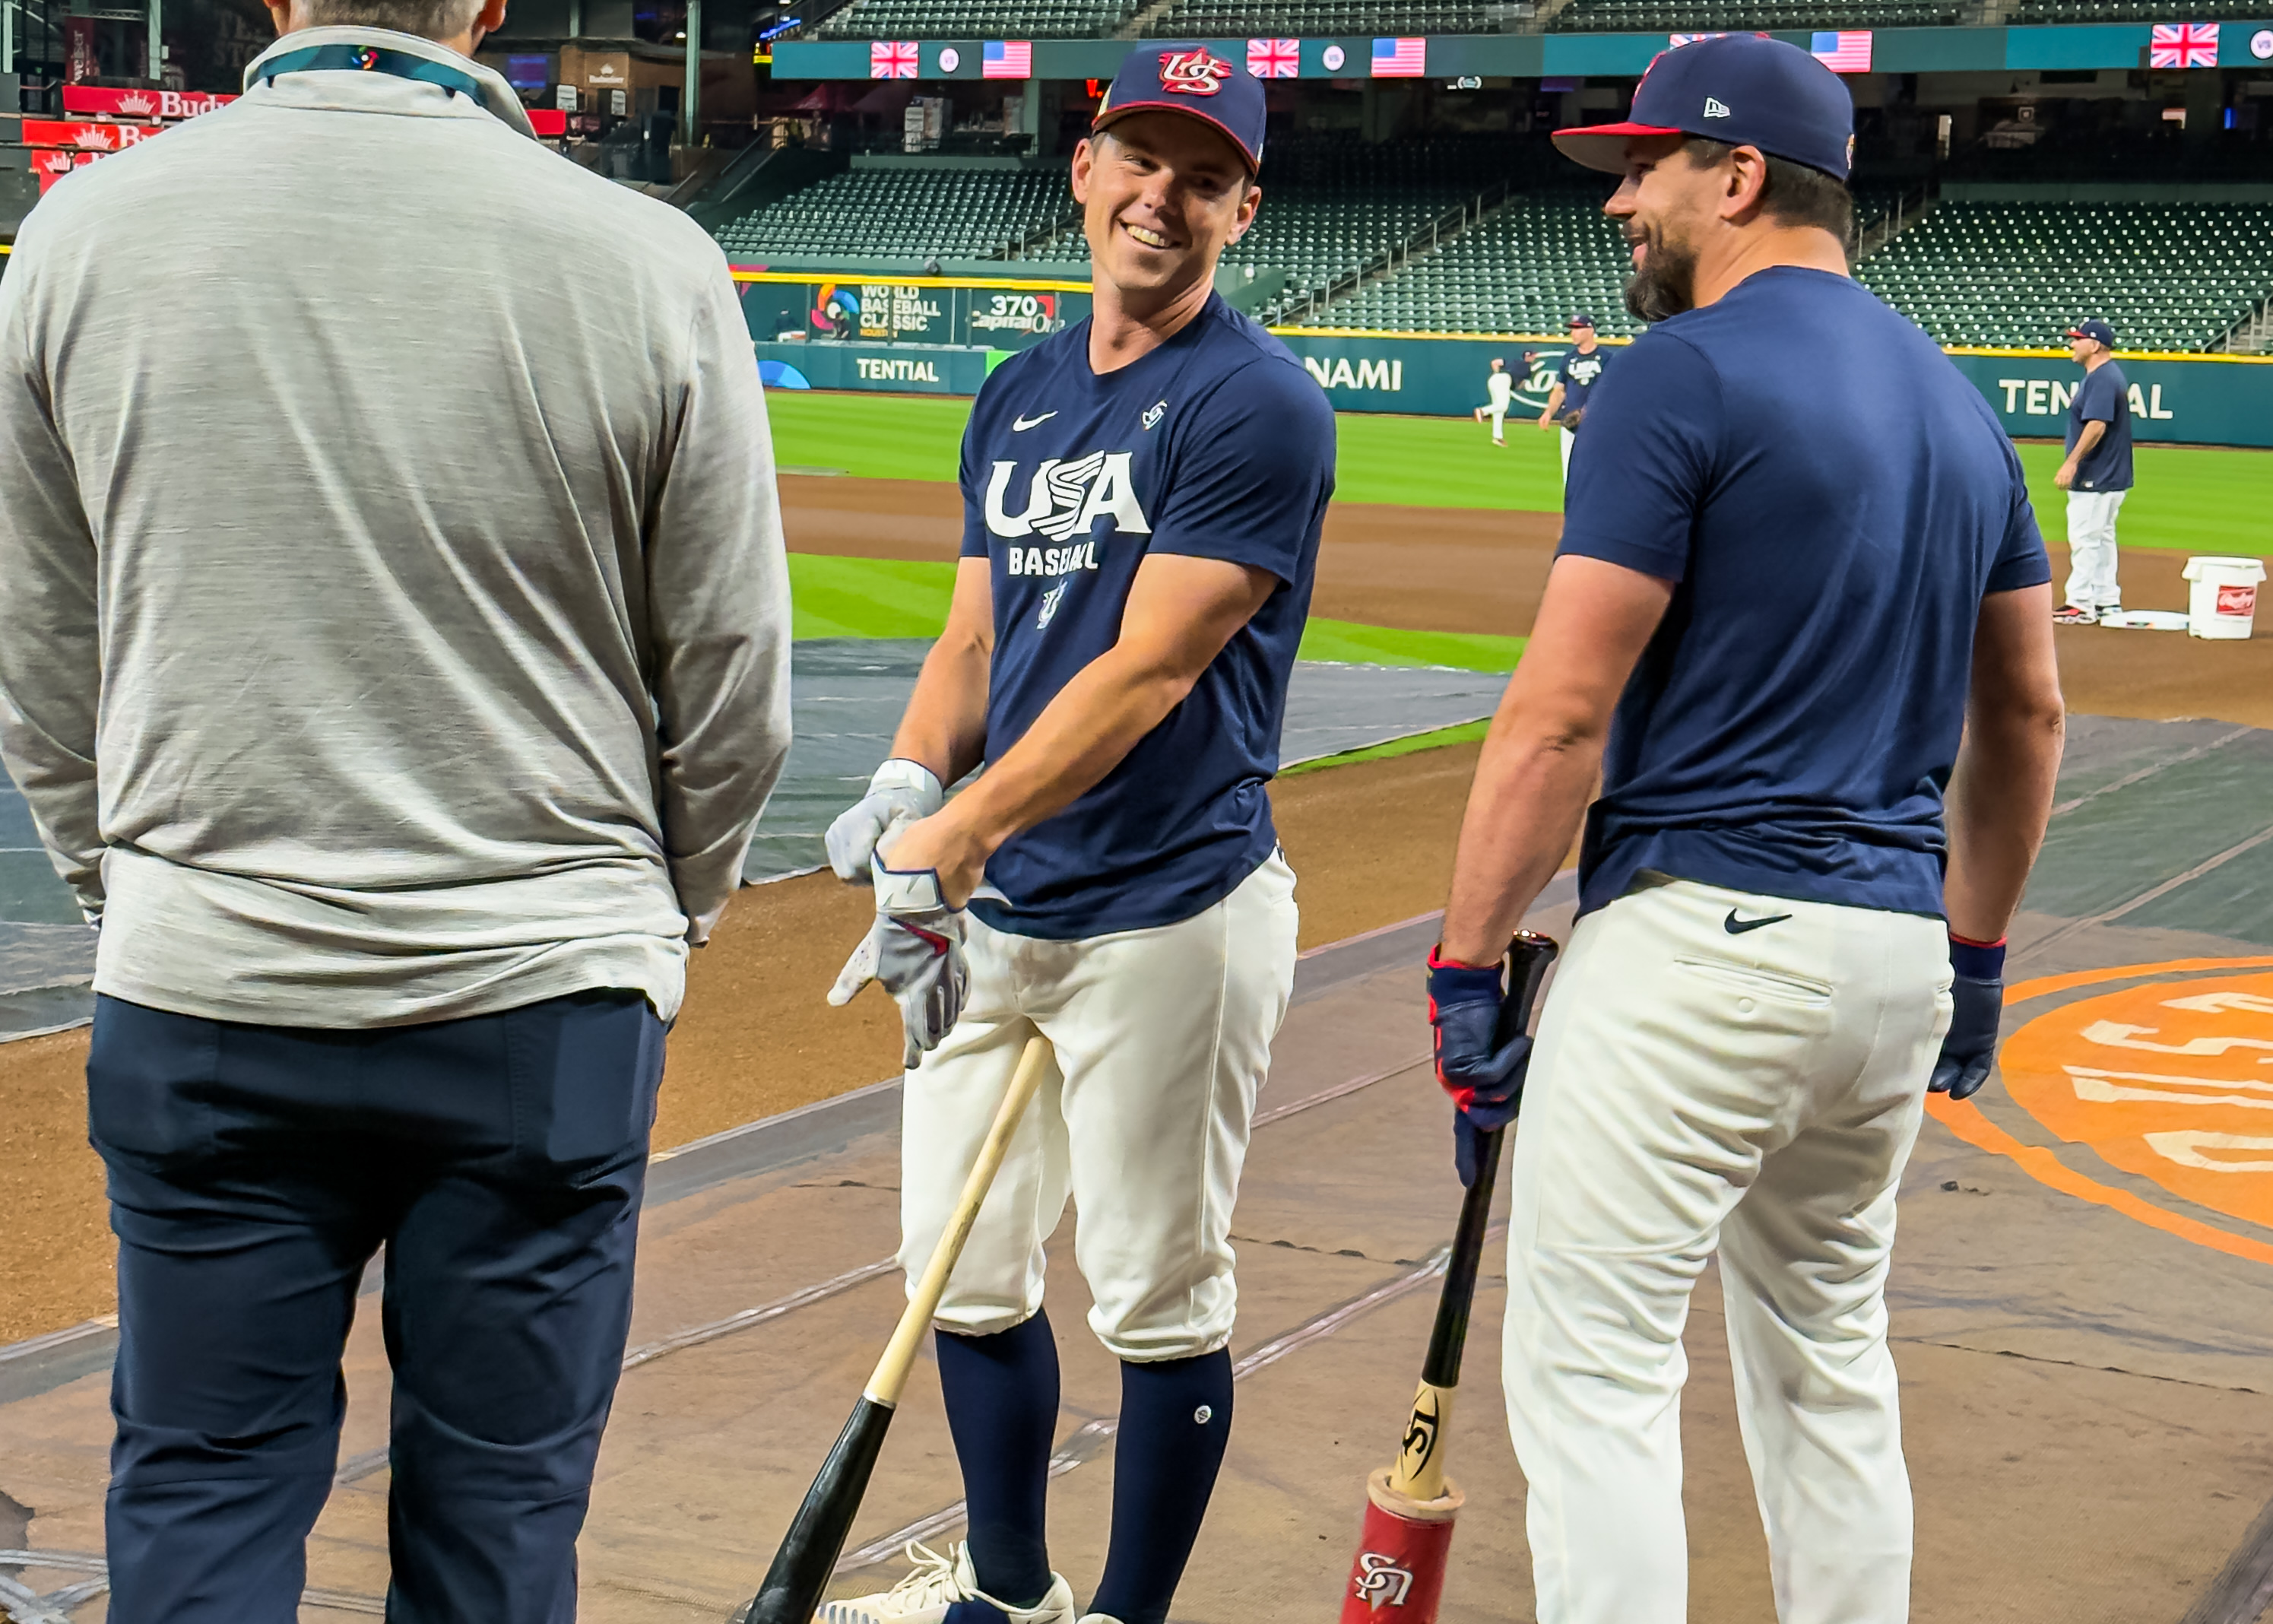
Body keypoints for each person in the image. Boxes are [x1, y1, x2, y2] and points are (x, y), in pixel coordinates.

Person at [0, 2, 792, 1618]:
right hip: (540, 993)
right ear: (489, 8)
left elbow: (40, 656)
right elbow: (731, 683)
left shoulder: (80, 232)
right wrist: (656, 914)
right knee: (496, 1528)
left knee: (204, 1505)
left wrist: (132, 894)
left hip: (208, 986)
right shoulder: (642, 257)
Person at [1423, 35, 2064, 1624]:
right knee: (1829, 1372)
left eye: (1642, 168)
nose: (1617, 201)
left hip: (1698, 956)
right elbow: (2028, 713)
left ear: (1737, 174)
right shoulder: (1958, 404)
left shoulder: (1677, 371)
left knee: (1597, 1379)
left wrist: (1460, 969)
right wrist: (1974, 958)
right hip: (1890, 960)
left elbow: (1558, 719)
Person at [817, 40, 1332, 1624]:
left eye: (1202, 175)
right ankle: (1008, 1592)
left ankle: (1126, 1617)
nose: (1160, 198)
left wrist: (949, 837)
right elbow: (977, 640)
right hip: (998, 912)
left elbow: (1151, 666)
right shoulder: (1021, 392)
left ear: (1243, 208)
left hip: (1171, 910)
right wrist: (913, 785)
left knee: (1155, 1291)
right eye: (1139, 160)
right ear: (1084, 172)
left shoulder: (1255, 403)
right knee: (955, 1276)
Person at [2053, 318, 2134, 626]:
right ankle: (2106, 599)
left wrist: (2072, 461)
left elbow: (2097, 424)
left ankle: (2080, 603)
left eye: (2077, 339)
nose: (2072, 344)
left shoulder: (2102, 378)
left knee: (2086, 537)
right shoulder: (2106, 375)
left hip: (2097, 474)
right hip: (2110, 473)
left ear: (2095, 344)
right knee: (2101, 537)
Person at [1536, 312, 1610, 482]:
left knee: (1597, 470)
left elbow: (1608, 390)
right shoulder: (1568, 360)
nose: (1573, 333)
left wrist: (1587, 411)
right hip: (1570, 424)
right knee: (1569, 474)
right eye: (1572, 329)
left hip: (1596, 424)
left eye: (1578, 329)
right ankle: (1572, 508)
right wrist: (1548, 412)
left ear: (1590, 330)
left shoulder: (1606, 358)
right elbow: (1559, 390)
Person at [1475, 354, 1516, 445]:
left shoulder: (1523, 368)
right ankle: (1483, 411)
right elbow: (1494, 363)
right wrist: (1498, 374)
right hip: (1502, 380)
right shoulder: (1515, 363)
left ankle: (1497, 438)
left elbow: (1494, 363)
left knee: (1499, 410)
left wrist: (1496, 374)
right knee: (1503, 406)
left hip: (1495, 380)